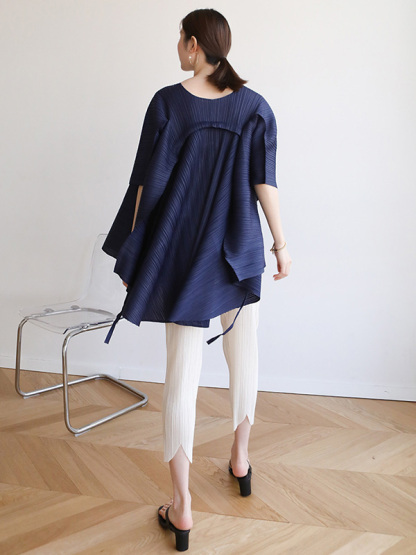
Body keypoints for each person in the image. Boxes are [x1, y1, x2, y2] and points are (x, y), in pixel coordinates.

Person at [103, 8, 291, 551]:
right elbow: (265, 182)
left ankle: (182, 507)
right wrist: (281, 245)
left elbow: (146, 187)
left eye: (179, 39)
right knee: (244, 353)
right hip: (240, 252)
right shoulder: (255, 107)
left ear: (192, 45)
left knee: (181, 375)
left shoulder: (167, 103)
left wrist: (136, 257)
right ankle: (241, 459)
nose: (178, 48)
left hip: (184, 256)